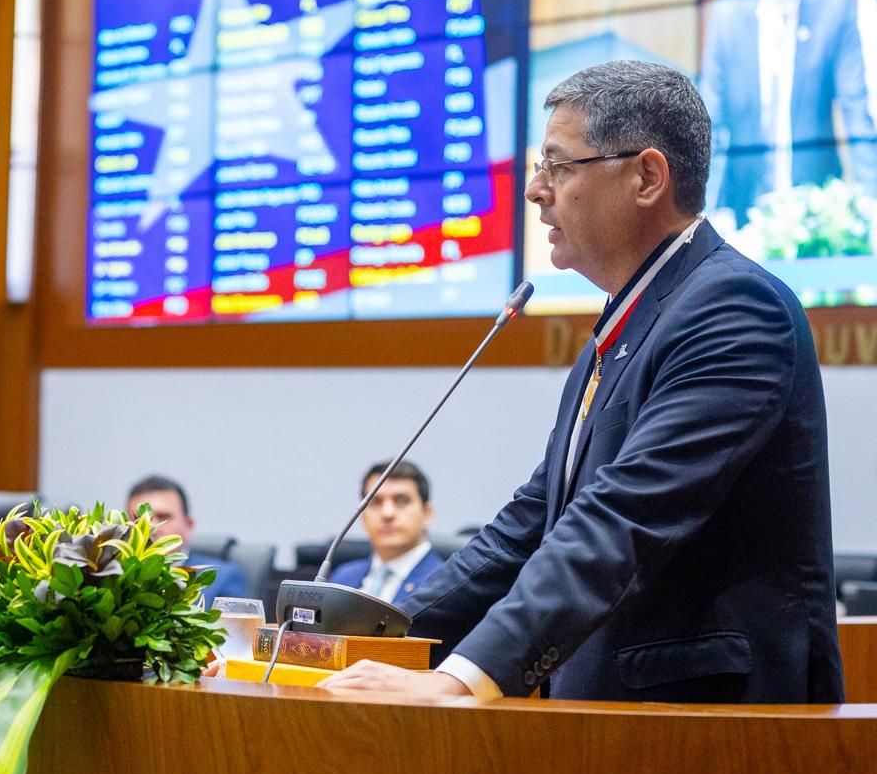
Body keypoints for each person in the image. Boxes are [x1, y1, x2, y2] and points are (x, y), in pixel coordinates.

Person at [322, 61, 843, 704]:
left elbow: (622, 519)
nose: (536, 190)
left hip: (713, 730)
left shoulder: (733, 309)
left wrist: (459, 680)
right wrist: (359, 641)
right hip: (614, 725)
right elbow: (533, 523)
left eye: (558, 165)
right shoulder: (623, 323)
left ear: (647, 176)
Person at [700, 0, 877, 225]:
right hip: (744, 212)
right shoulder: (728, 13)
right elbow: (711, 127)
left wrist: (872, 207)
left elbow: (855, 111)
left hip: (816, 212)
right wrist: (702, 213)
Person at [127, 475, 249, 608]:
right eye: (141, 520)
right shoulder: (118, 579)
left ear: (189, 525)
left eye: (164, 517)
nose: (153, 528)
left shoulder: (224, 578)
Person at [330, 461, 443, 604]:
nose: (387, 514)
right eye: (376, 502)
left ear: (427, 514)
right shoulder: (342, 579)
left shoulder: (444, 583)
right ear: (363, 516)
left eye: (402, 501)